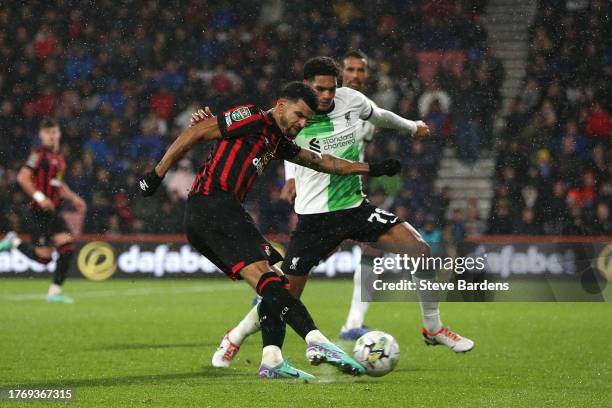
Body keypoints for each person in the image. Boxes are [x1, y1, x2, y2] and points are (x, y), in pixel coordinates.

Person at [210, 56, 474, 369]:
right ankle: (235, 337)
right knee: (282, 296)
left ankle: (433, 328)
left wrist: (411, 127)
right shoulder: (293, 116)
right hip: (314, 220)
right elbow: (277, 144)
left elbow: (380, 116)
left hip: (354, 208)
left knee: (419, 249)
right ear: (307, 86)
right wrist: (291, 178)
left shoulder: (351, 100)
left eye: (331, 89)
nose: (326, 95)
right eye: (319, 89)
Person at [138, 81, 402, 380]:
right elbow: (196, 132)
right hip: (213, 205)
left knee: (274, 282)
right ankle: (317, 340)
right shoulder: (251, 117)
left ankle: (272, 357)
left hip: (218, 214)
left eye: (306, 120)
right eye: (298, 115)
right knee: (271, 281)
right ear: (280, 106)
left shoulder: (277, 142)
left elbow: (323, 162)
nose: (301, 124)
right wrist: (156, 175)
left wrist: (373, 169)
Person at [0, 119, 86, 303]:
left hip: (53, 212)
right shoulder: (37, 155)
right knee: (43, 260)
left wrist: (74, 198)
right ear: (41, 135)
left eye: (54, 132)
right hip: (37, 212)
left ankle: (54, 292)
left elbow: (58, 184)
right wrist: (40, 197)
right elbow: (23, 178)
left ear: (59, 134)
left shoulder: (60, 160)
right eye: (47, 133)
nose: (51, 136)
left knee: (68, 247)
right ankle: (13, 241)